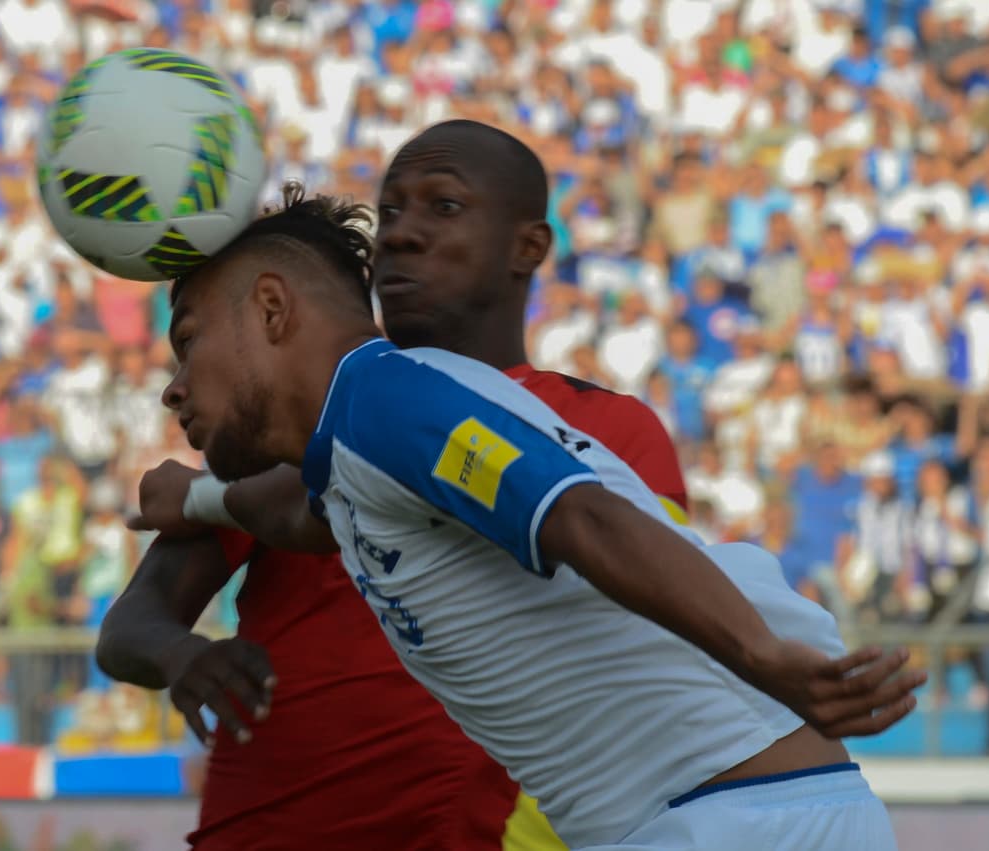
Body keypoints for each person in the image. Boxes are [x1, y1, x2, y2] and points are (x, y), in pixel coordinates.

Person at [134, 181, 926, 850]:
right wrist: (196, 497)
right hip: (718, 812)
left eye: (189, 339)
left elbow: (582, 518)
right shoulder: (367, 440)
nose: (174, 386)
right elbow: (303, 511)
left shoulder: (386, 403)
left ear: (272, 309)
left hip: (733, 819)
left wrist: (768, 658)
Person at [100, 120, 688, 850]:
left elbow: (651, 650)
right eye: (392, 212)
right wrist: (180, 654)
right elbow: (130, 622)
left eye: (442, 207)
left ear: (528, 246)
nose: (400, 235)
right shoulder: (283, 430)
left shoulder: (608, 431)